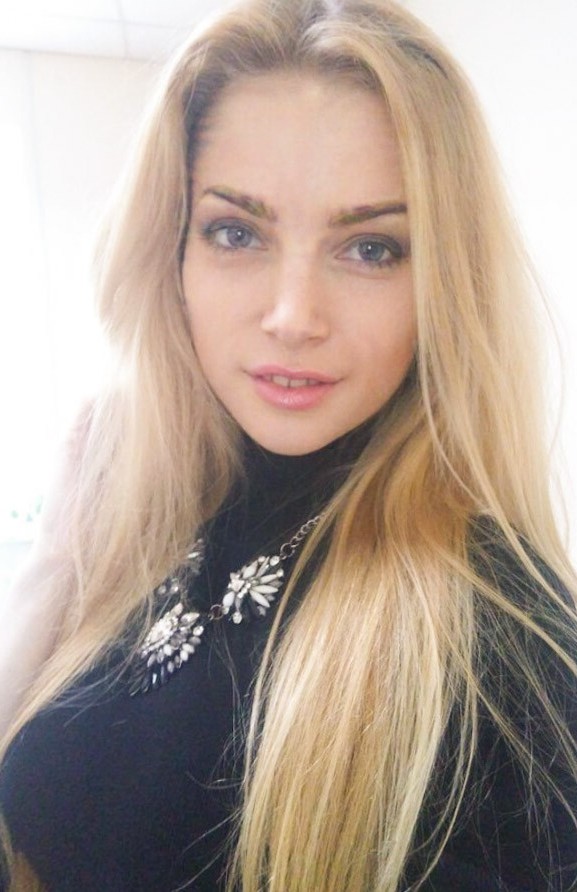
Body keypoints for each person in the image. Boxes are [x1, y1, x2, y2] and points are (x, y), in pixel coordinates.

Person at [1, 0, 576, 889]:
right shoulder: (144, 506)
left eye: (371, 248)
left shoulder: (499, 643)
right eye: (236, 233)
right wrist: (54, 564)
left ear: (445, 282)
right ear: (172, 251)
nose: (292, 316)